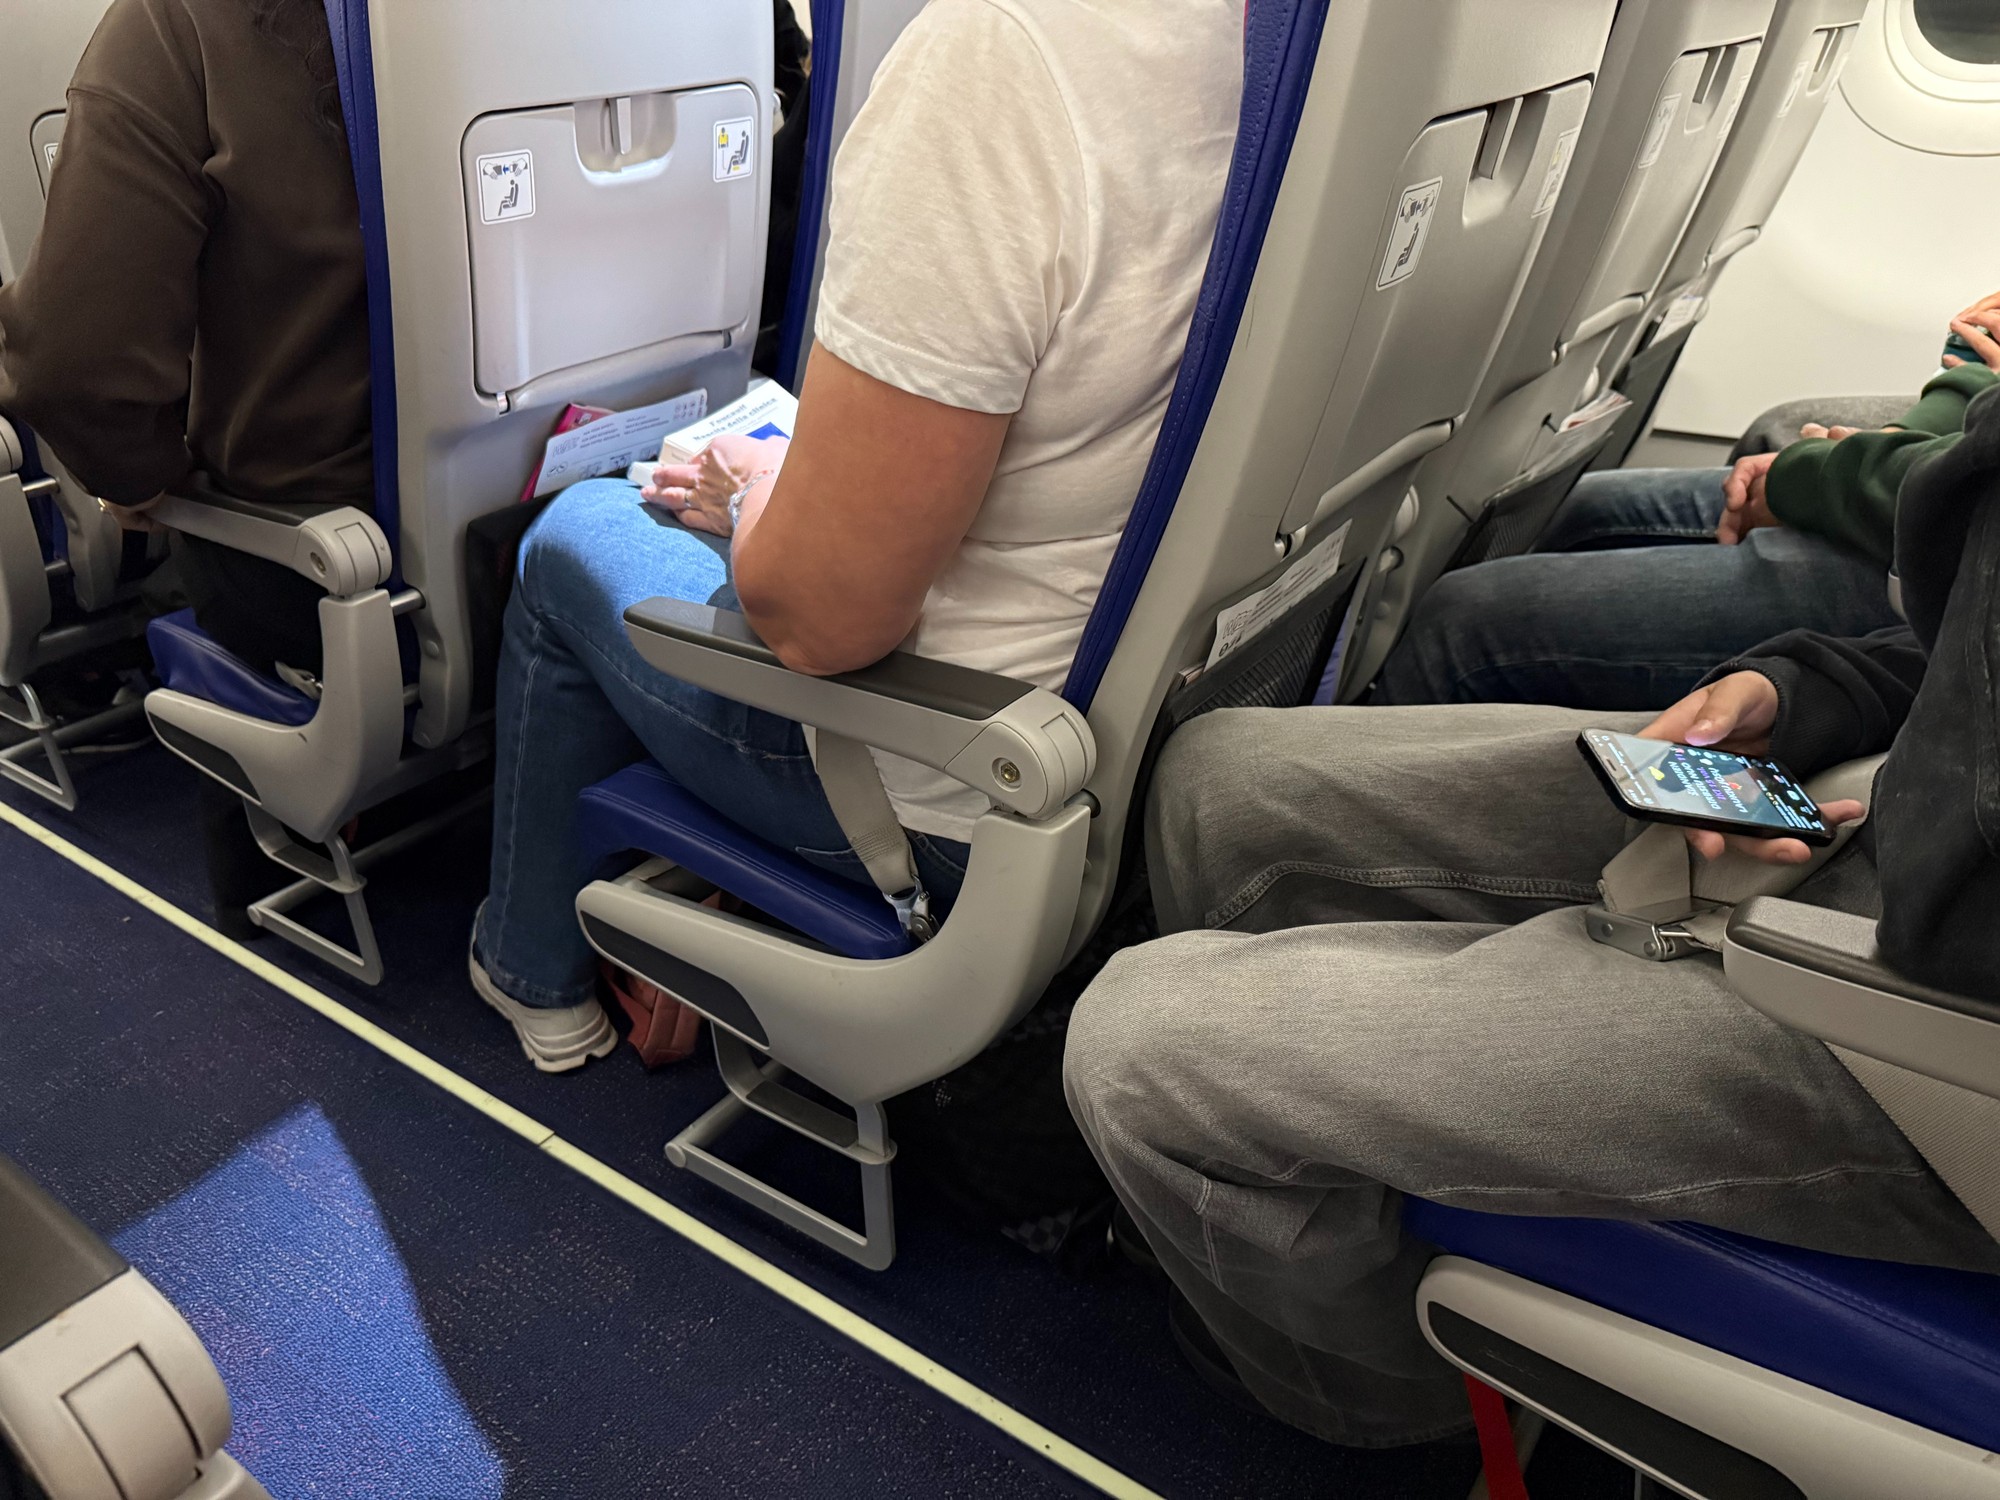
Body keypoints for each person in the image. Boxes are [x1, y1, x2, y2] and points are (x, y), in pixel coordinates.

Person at [1064, 465, 2000, 1445]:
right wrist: (1807, 690)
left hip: (1938, 1032)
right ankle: (1269, 1207)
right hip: (1883, 813)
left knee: (1140, 1055)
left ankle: (1374, 1398)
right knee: (1220, 783)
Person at [468, 0, 1245, 1070]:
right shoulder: (1286, 53)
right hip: (1151, 753)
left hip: (945, 789)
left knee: (574, 533)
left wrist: (755, 490)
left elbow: (817, 622)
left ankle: (531, 971)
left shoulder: (999, 60)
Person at [0, 0, 371, 930]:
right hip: (526, 510)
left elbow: (73, 368)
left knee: (187, 549)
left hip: (307, 565)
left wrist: (137, 479)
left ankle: (254, 923)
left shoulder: (176, 26)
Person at [1369, 302, 2000, 709]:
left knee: (1467, 618)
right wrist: (1892, 441)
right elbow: (1984, 390)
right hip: (1941, 488)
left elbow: (1963, 488)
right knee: (1582, 507)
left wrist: (1810, 479)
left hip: (1953, 568)